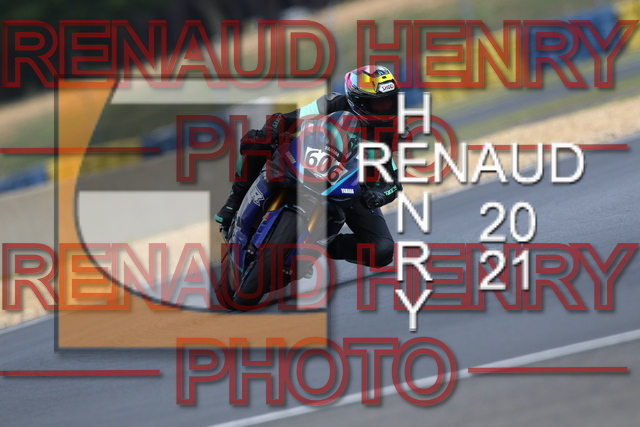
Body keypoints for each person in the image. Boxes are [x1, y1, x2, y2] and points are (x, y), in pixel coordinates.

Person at [215, 65, 403, 267]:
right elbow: (290, 118)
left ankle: (320, 245)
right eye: (378, 104)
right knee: (257, 140)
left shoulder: (393, 130)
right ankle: (234, 202)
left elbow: (394, 180)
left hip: (352, 186)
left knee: (382, 250)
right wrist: (273, 128)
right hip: (311, 159)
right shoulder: (332, 102)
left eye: (389, 101)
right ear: (357, 100)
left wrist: (380, 194)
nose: (386, 109)